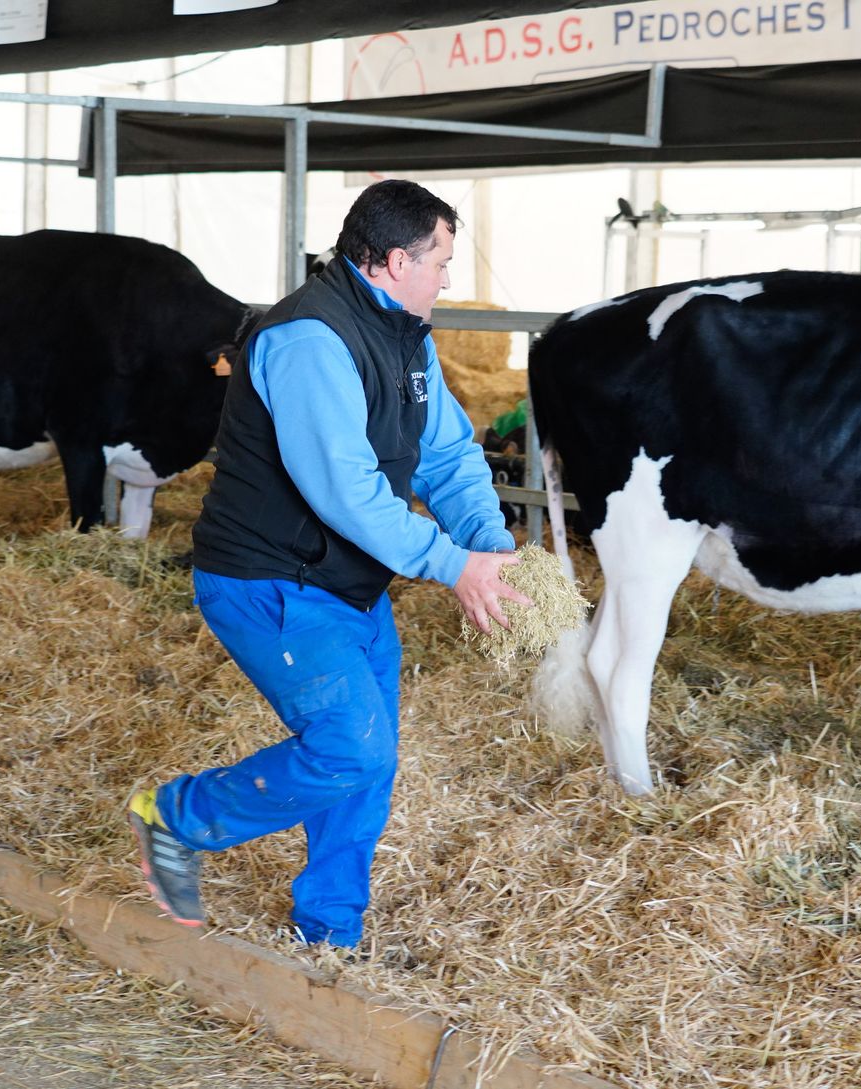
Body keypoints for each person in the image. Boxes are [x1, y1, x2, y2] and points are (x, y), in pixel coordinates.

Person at [126, 179, 530, 950]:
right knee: (352, 745)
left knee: (367, 763)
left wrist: (489, 545)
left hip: (347, 585)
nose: (448, 278)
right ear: (387, 261)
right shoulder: (309, 339)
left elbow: (446, 452)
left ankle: (329, 931)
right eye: (440, 262)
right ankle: (175, 819)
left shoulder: (407, 335)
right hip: (270, 581)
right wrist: (450, 565)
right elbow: (346, 492)